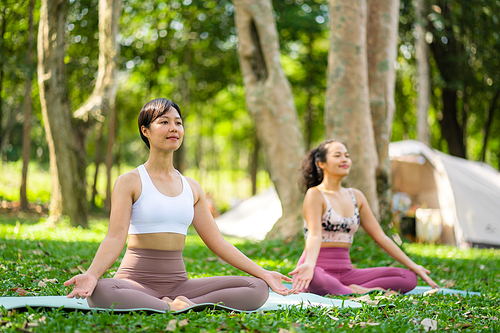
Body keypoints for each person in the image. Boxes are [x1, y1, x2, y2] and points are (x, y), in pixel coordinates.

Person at [64, 98, 295, 312]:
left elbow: (218, 243)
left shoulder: (192, 187)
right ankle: (169, 305)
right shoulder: (129, 182)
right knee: (102, 291)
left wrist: (264, 273)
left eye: (178, 123)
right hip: (135, 283)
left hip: (179, 285)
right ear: (145, 131)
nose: (174, 128)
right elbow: (115, 237)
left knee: (256, 288)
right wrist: (93, 274)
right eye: (164, 122)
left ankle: (183, 304)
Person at [289, 139, 439, 296]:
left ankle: (351, 290)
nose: (344, 159)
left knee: (407, 277)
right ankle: (353, 291)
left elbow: (381, 236)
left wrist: (414, 266)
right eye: (337, 155)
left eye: (347, 155)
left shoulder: (356, 196)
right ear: (321, 163)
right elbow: (314, 235)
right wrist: (309, 265)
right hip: (316, 268)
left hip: (346, 273)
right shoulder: (315, 194)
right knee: (317, 278)